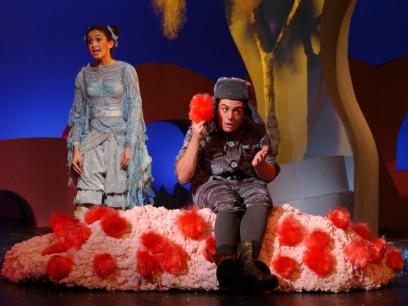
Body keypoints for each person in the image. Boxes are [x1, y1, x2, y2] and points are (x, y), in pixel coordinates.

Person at [175, 77, 280, 291]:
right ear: (216, 107)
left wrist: (259, 166)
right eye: (225, 109)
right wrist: (195, 139)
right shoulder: (203, 128)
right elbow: (183, 176)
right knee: (227, 199)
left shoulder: (256, 131)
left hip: (248, 181)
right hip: (210, 184)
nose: (230, 117)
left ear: (245, 111)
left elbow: (268, 175)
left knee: (261, 196)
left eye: (237, 111)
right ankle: (226, 265)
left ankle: (250, 263)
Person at [67, 25, 154, 218]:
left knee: (118, 201)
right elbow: (78, 114)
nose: (93, 45)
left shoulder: (126, 70)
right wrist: (76, 149)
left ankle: (116, 243)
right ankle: (84, 244)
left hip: (120, 139)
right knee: (86, 201)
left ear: (111, 43)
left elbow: (134, 109)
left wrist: (130, 145)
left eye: (98, 39)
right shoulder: (82, 76)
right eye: (90, 41)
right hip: (92, 140)